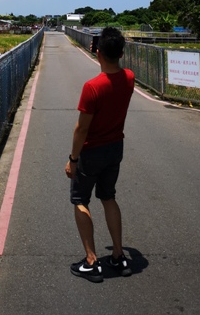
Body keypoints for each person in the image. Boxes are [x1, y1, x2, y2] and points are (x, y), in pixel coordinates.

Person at [65, 27, 135, 282]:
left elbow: (82, 128)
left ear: (97, 52)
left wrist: (73, 160)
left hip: (92, 151)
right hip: (115, 148)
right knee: (108, 197)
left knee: (80, 200)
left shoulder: (92, 87)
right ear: (121, 53)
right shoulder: (129, 78)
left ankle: (92, 261)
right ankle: (118, 254)